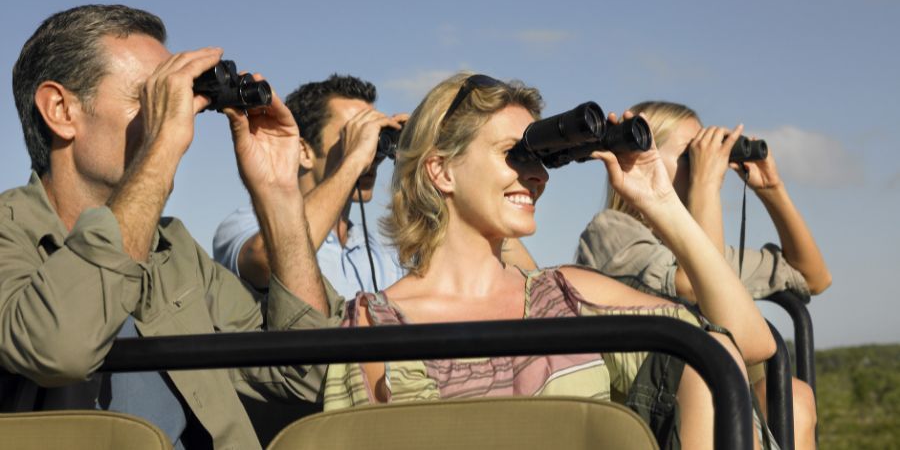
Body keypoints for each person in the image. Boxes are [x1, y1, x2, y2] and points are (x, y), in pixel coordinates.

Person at [318, 73, 777, 449]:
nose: (536, 176)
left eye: (540, 159)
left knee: (710, 355)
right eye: (513, 155)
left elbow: (747, 344)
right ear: (441, 170)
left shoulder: (566, 294)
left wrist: (662, 202)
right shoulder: (374, 328)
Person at [0, 5, 341, 449]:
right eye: (152, 99)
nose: (175, 119)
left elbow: (307, 373)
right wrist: (162, 146)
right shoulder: (11, 237)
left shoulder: (173, 249)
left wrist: (279, 195)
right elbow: (62, 350)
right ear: (61, 110)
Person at [576, 101, 830, 450]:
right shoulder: (611, 232)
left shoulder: (713, 254)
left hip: (713, 395)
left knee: (793, 397)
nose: (702, 164)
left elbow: (812, 277)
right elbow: (697, 288)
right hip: (657, 409)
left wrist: (772, 190)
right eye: (690, 155)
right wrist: (706, 185)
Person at [213, 75, 539, 297]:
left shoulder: (379, 248)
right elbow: (272, 261)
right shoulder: (246, 225)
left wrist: (440, 158)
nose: (373, 153)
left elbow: (525, 284)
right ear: (304, 152)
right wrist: (353, 160)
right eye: (355, 134)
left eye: (375, 136)